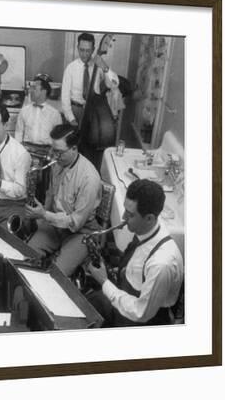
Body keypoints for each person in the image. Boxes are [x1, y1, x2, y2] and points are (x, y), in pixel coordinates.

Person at [86, 179, 184, 327]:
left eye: (130, 215)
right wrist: (120, 271)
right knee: (89, 302)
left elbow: (141, 313)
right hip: (129, 295)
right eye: (125, 210)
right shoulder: (147, 228)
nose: (124, 218)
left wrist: (104, 282)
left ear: (149, 218)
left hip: (143, 321)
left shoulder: (162, 263)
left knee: (88, 310)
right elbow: (139, 259)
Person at [25, 124, 102, 276]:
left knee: (57, 274)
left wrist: (44, 215)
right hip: (55, 224)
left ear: (74, 148)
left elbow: (75, 222)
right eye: (53, 150)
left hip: (81, 231)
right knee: (27, 256)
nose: (54, 156)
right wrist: (42, 216)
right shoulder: (58, 164)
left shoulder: (89, 178)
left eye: (59, 152)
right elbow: (50, 193)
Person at [61, 32, 119, 127]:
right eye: (81, 50)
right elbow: (65, 97)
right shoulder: (70, 68)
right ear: (77, 48)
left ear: (93, 50)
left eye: (87, 51)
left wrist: (104, 67)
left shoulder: (99, 65)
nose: (84, 54)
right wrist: (71, 119)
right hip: (75, 110)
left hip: (94, 112)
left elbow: (114, 84)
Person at [15, 73, 62, 146]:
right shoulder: (24, 110)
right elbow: (18, 132)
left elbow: (58, 138)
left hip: (46, 150)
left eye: (34, 88)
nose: (31, 91)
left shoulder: (55, 114)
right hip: (27, 148)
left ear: (44, 91)